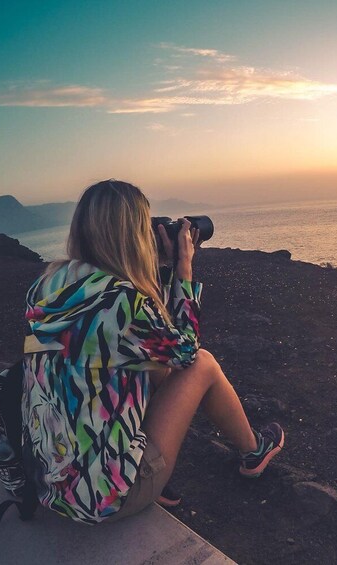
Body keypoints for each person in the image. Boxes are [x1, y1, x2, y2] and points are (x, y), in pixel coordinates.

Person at [21, 179, 284, 524]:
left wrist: (153, 268)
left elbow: (150, 340)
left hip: (50, 482)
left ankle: (137, 462)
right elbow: (186, 351)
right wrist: (183, 270)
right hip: (104, 499)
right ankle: (254, 452)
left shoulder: (47, 285)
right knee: (202, 364)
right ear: (132, 233)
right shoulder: (123, 301)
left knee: (156, 364)